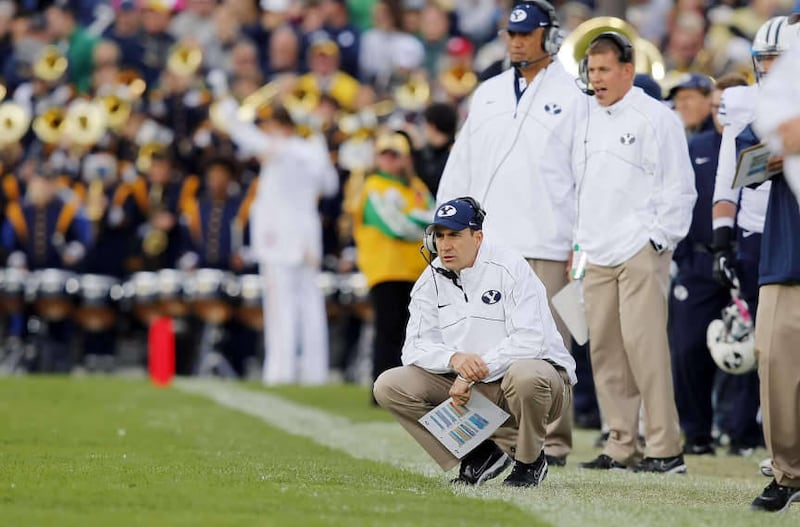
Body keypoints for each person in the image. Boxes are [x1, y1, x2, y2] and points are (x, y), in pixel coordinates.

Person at [436, 0, 585, 467]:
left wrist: (579, 243)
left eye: (528, 32)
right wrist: (443, 224)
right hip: (491, 240)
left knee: (550, 346)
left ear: (550, 35)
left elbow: (584, 173)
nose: (517, 40)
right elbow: (461, 159)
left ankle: (553, 443)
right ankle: (500, 439)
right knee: (488, 344)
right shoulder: (489, 92)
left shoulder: (576, 95)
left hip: (550, 237)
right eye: (512, 33)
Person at [373, 197, 576, 488]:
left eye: (454, 235)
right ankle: (478, 454)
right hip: (471, 391)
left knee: (526, 374)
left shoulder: (510, 266)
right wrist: (453, 359)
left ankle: (530, 463)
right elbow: (414, 348)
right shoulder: (428, 280)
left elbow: (531, 340)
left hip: (536, 387)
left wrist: (469, 374)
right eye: (439, 236)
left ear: (477, 236)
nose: (445, 244)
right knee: (389, 385)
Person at [572, 32, 696, 473]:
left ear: (628, 70)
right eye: (591, 69)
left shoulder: (655, 117)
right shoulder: (584, 117)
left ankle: (665, 448)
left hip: (640, 249)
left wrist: (659, 240)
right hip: (595, 249)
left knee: (646, 349)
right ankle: (621, 443)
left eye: (604, 69)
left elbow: (679, 185)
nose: (596, 78)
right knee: (605, 352)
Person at [710, 16, 800, 456]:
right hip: (771, 240)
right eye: (766, 58)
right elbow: (739, 168)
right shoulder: (757, 105)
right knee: (769, 352)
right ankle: (779, 458)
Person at [221, 99, 339, 385]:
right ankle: (315, 373)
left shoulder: (282, 149)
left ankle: (280, 372)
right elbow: (331, 186)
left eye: (269, 126)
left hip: (279, 242)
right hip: (307, 241)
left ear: (278, 126)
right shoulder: (313, 150)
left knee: (279, 308)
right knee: (311, 307)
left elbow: (243, 134)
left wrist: (227, 106)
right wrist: (319, 140)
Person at [669, 74, 753, 456]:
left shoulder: (757, 144)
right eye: (718, 104)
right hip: (699, 261)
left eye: (728, 104)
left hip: (746, 257)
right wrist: (685, 255)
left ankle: (741, 432)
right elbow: (679, 200)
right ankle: (697, 432)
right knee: (687, 349)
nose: (723, 111)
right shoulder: (696, 147)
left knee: (751, 349)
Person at [751, 29, 800, 514]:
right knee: (775, 366)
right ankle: (788, 472)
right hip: (787, 256)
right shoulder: (773, 106)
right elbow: (748, 163)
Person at [351, 131, 434, 401]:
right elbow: (395, 226)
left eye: (394, 155)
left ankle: (405, 392)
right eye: (384, 155)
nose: (388, 160)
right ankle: (382, 393)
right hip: (385, 270)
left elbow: (435, 217)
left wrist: (414, 219)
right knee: (388, 331)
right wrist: (419, 223)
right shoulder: (374, 185)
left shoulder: (417, 186)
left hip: (416, 270)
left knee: (411, 334)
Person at [666, 72, 715, 139]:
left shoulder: (721, 133)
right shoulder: (682, 133)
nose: (682, 105)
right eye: (678, 99)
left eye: (688, 97)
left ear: (709, 99)